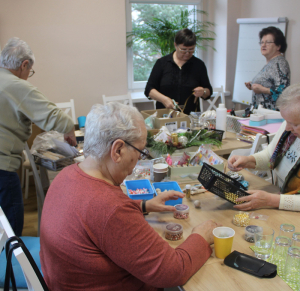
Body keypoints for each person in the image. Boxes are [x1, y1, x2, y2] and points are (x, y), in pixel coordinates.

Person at [40, 102, 221, 291]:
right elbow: (172, 271)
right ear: (118, 150)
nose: (137, 162)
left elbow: (93, 220)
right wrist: (201, 236)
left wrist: (143, 206)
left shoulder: (67, 174)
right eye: (140, 152)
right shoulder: (110, 207)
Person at [0, 37, 76, 236]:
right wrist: (69, 128)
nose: (28, 76)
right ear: (24, 64)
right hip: (2, 167)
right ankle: (9, 264)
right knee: (11, 226)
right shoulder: (15, 85)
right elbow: (53, 116)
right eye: (29, 72)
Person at [228, 84, 300, 212]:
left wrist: (271, 200)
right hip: (281, 199)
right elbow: (270, 156)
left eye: (294, 124)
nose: (287, 128)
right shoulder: (289, 129)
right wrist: (248, 160)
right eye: (286, 121)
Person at [145, 28, 213, 115]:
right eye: (183, 49)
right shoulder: (162, 63)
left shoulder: (199, 65)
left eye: (191, 49)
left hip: (190, 117)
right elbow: (149, 90)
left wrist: (203, 91)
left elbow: (208, 91)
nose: (187, 53)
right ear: (175, 45)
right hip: (165, 115)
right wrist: (164, 99)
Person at [245, 26, 290, 110]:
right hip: (262, 115)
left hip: (271, 116)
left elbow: (283, 92)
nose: (263, 45)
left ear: (278, 46)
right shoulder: (271, 63)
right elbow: (270, 83)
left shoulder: (280, 63)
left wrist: (262, 89)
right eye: (262, 42)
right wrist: (253, 85)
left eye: (268, 42)